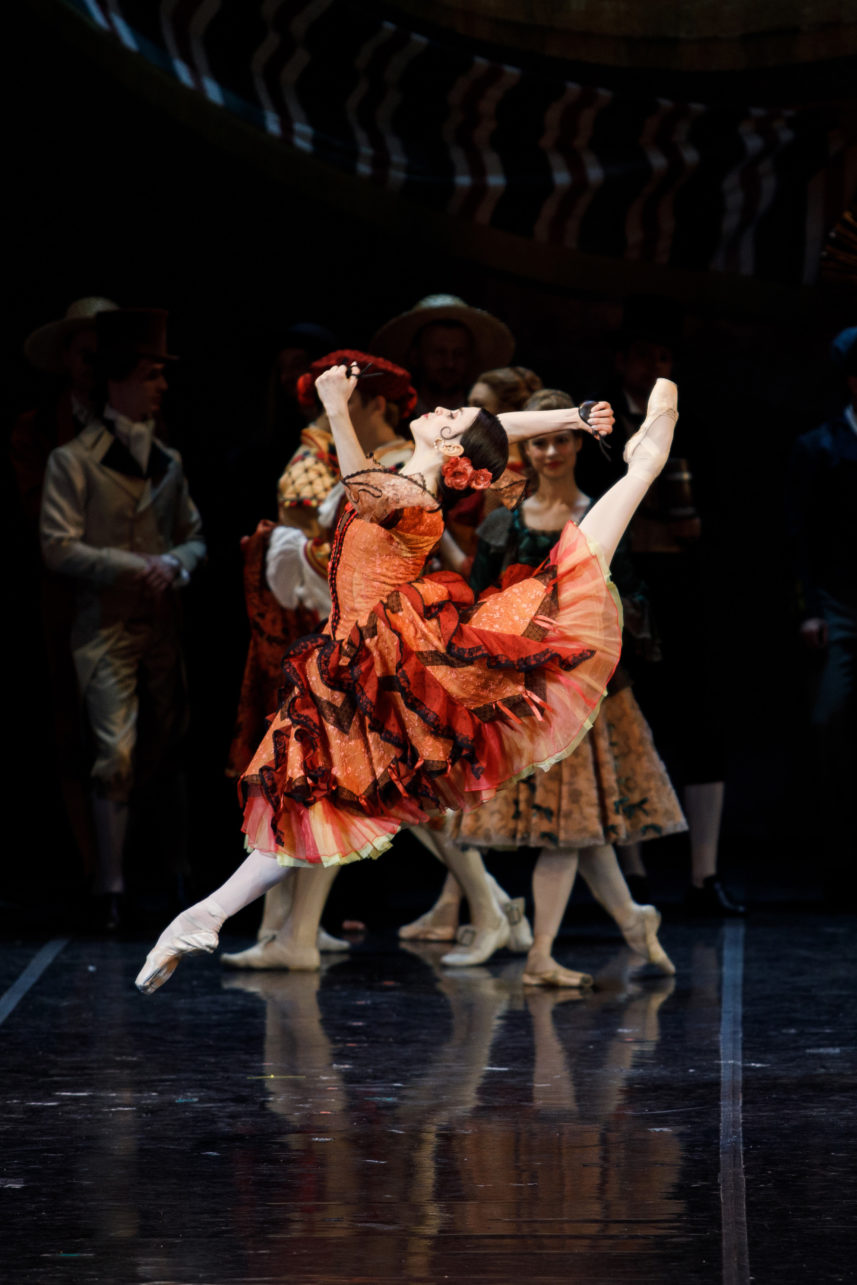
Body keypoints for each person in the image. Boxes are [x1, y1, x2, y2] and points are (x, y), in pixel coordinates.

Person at [136, 363, 679, 994]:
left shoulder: (413, 501)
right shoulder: (416, 472)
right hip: (350, 663)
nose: (440, 410)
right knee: (309, 798)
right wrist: (572, 417)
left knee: (559, 587)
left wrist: (336, 407)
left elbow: (365, 487)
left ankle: (642, 469)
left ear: (449, 447)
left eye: (450, 417)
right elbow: (490, 429)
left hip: (394, 663)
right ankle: (205, 915)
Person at [457, 387, 682, 985]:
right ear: (527, 450)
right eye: (541, 442)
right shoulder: (503, 523)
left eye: (562, 439)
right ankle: (632, 923)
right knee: (574, 826)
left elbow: (627, 593)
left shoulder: (598, 513)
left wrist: (585, 626)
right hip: (525, 688)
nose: (552, 451)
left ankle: (545, 954)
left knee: (572, 826)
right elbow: (478, 602)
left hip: (584, 687)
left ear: (578, 443)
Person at [40, 308, 206, 928]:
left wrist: (176, 563)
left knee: (170, 745)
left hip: (161, 626)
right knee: (115, 752)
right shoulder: (73, 460)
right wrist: (139, 565)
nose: (161, 386)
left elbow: (194, 536)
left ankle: (174, 874)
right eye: (149, 375)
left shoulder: (168, 459)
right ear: (118, 380)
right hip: (106, 626)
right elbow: (58, 546)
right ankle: (109, 886)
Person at [578, 303, 743, 916]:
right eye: (645, 354)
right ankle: (633, 876)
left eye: (665, 356)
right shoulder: (597, 421)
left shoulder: (690, 423)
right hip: (620, 586)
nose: (655, 366)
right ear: (622, 360)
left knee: (701, 723)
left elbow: (718, 502)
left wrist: (696, 528)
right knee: (623, 721)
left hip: (682, 588)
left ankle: (705, 875)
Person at [786, 325, 857, 905]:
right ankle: (840, 866)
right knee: (831, 721)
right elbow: (799, 537)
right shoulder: (820, 446)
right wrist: (809, 609)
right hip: (840, 602)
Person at [371, 294, 514, 416]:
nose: (449, 363)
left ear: (470, 358)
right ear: (415, 356)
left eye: (459, 353)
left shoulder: (482, 419)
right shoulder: (391, 418)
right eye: (439, 353)